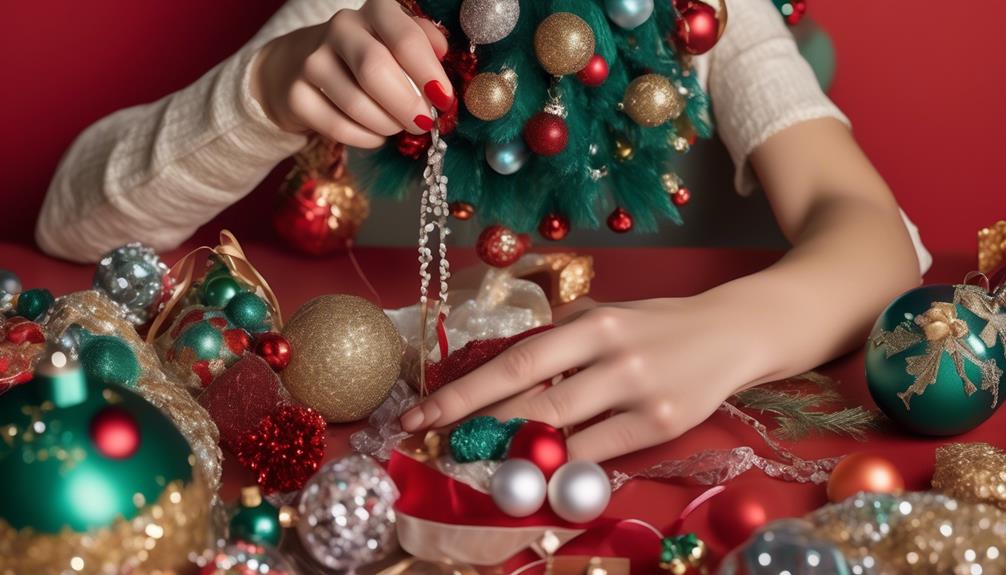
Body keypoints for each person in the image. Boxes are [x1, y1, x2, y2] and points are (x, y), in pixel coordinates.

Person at [38, 0, 931, 463]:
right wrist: (265, 88)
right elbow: (74, 218)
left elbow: (873, 233)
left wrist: (741, 328)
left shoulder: (713, 15)